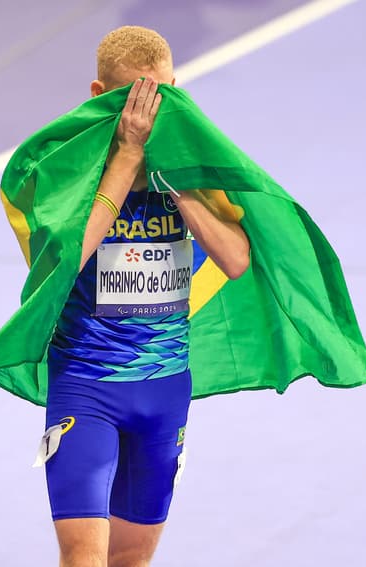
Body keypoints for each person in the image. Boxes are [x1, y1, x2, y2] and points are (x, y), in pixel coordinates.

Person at [41, 26, 250, 567]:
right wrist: (129, 157)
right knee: (83, 557)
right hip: (87, 388)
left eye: (157, 96)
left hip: (163, 394)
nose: (144, 111)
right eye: (130, 97)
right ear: (98, 95)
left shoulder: (192, 168)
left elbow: (235, 259)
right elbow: (71, 258)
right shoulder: (70, 170)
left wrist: (179, 188)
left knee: (130, 561)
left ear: (174, 88)